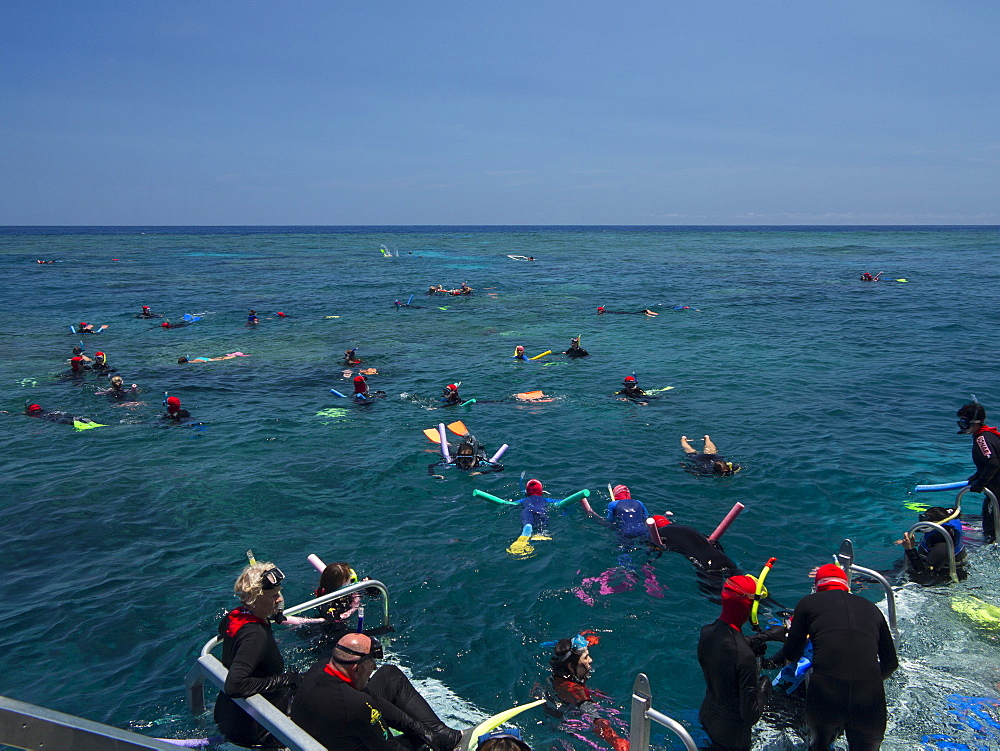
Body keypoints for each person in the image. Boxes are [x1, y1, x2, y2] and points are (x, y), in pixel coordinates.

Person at [779, 564, 898, 751]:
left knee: (820, 746)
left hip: (827, 694)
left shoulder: (808, 603)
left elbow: (791, 654)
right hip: (869, 698)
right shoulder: (873, 609)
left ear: (817, 587)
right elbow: (891, 664)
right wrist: (866, 679)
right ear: (847, 586)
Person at [291, 632, 462, 751]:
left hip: (328, 732)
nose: (374, 667)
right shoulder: (356, 705)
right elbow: (389, 748)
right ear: (356, 669)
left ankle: (445, 735)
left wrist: (422, 730)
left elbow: (374, 700)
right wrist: (429, 743)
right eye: (371, 663)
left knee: (390, 675)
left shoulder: (321, 667)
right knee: (421, 745)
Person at [214, 562, 299, 749]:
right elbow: (234, 686)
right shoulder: (255, 636)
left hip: (227, 717)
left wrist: (271, 614)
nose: (279, 600)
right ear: (255, 599)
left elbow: (223, 628)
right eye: (273, 596)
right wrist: (283, 680)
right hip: (254, 731)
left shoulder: (234, 617)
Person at [697, 574, 786, 751]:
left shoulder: (706, 633)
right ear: (749, 607)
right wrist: (764, 688)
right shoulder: (744, 656)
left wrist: (764, 637)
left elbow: (729, 646)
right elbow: (750, 714)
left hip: (707, 718)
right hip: (733, 736)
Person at [546, 635, 628, 751]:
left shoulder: (558, 674)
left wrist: (588, 639)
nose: (590, 660)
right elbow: (595, 719)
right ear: (570, 666)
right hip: (564, 725)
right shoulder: (575, 690)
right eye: (586, 657)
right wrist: (615, 740)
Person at [957, 401, 1000, 543]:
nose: (962, 425)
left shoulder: (982, 439)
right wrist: (976, 476)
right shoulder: (989, 435)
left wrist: (980, 484)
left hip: (997, 492)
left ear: (975, 422)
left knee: (990, 531)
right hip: (996, 490)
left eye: (964, 421)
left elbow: (993, 463)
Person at [896, 506, 967, 584]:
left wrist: (909, 549)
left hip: (940, 579)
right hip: (932, 564)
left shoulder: (942, 547)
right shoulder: (939, 532)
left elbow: (924, 577)